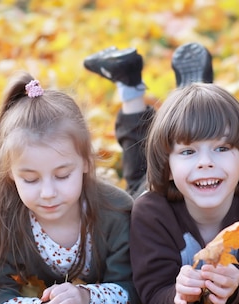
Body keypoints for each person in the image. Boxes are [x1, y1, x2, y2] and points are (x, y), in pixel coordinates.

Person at [84, 43, 239, 304]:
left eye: (223, 147)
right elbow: (154, 292)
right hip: (162, 193)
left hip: (188, 178)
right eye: (189, 152)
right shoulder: (151, 212)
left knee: (192, 124)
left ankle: (194, 96)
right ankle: (130, 87)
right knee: (139, 169)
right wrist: (178, 296)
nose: (206, 162)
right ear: (167, 168)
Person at [0, 72, 139, 304]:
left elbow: (132, 288)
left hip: (139, 197)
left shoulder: (117, 212)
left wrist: (86, 298)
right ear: (11, 174)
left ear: (85, 162)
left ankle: (134, 94)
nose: (48, 192)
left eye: (62, 175)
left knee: (148, 183)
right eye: (31, 179)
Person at [83, 42, 214, 196]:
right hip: (199, 183)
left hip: (161, 193)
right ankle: (194, 103)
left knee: (144, 185)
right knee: (141, 183)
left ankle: (188, 104)